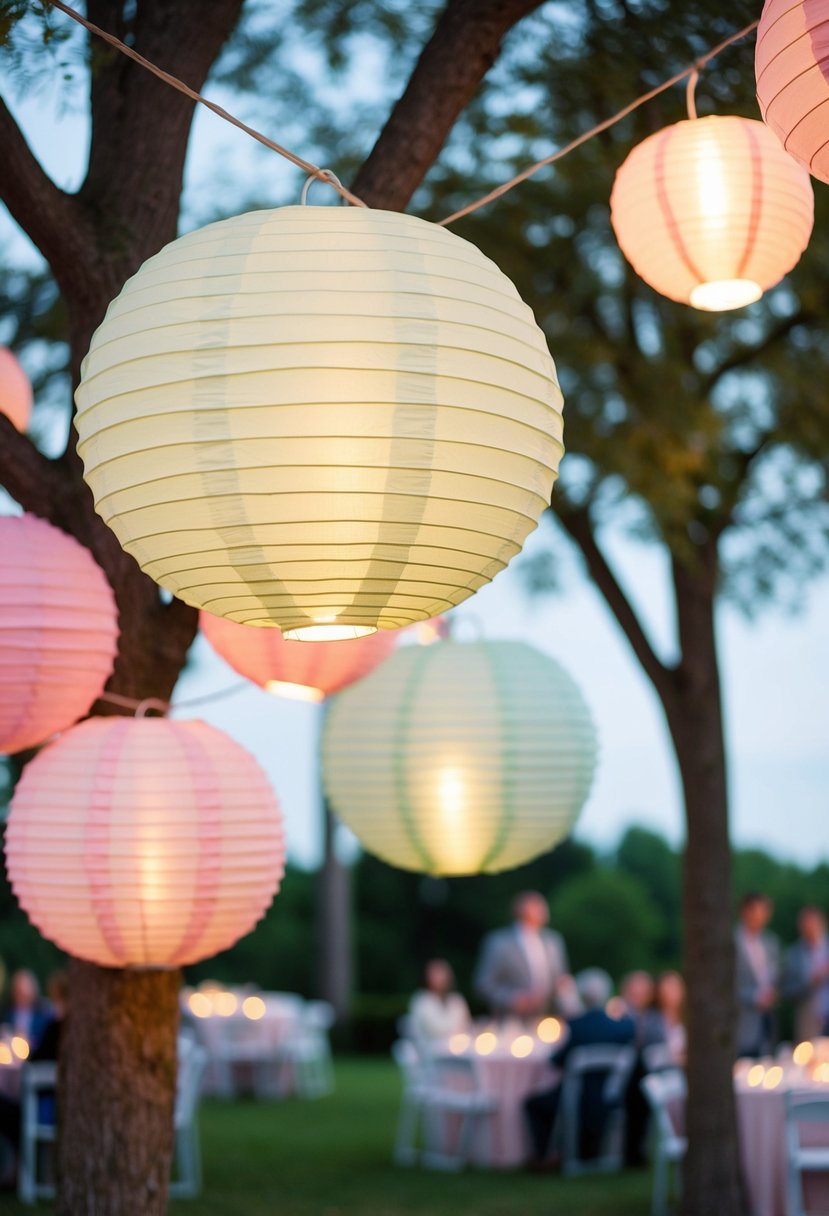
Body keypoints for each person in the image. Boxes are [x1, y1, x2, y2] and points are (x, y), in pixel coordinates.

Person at [524, 968, 635, 1168]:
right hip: (610, 1097)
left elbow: (556, 1062)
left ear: (582, 997)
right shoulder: (623, 1028)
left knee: (534, 1104)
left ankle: (545, 1156)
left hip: (576, 1097)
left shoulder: (577, 1026)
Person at [0, 970, 67, 1188]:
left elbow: (37, 1059)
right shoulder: (9, 1014)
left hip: (44, 1095)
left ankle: (20, 1169)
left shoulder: (52, 1022)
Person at [474, 891, 576, 1020]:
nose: (544, 910)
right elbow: (483, 985)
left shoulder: (553, 941)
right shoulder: (499, 943)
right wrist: (512, 999)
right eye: (537, 905)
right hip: (510, 1022)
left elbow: (562, 978)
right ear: (522, 910)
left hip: (548, 1020)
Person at [616, 971, 666, 1167]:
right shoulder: (620, 1013)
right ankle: (633, 1152)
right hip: (624, 1077)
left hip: (648, 1073)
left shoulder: (655, 1017)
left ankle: (639, 1150)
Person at [735, 892, 780, 1057]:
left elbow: (773, 977)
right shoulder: (732, 942)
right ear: (745, 911)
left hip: (767, 1021)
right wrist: (754, 997)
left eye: (765, 912)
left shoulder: (771, 942)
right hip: (742, 1023)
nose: (760, 918)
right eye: (757, 912)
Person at [781, 906, 829, 1042]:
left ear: (822, 923)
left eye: (814, 923)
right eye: (806, 925)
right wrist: (811, 981)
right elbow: (787, 991)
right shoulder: (793, 954)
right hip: (809, 1023)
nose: (811, 929)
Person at [408, 959, 470, 1044]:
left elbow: (466, 1026)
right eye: (437, 973)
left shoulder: (457, 1000)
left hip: (458, 1046)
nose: (441, 977)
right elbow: (433, 1029)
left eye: (443, 972)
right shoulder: (421, 1000)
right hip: (431, 1047)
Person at [0, 971, 51, 1052]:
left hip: (36, 1058)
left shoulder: (44, 1014)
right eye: (18, 991)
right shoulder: (6, 1013)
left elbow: (45, 1039)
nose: (22, 996)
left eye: (24, 992)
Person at [655, 970, 687, 1065]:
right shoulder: (652, 1019)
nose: (669, 992)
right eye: (666, 987)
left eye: (674, 987)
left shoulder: (689, 1019)